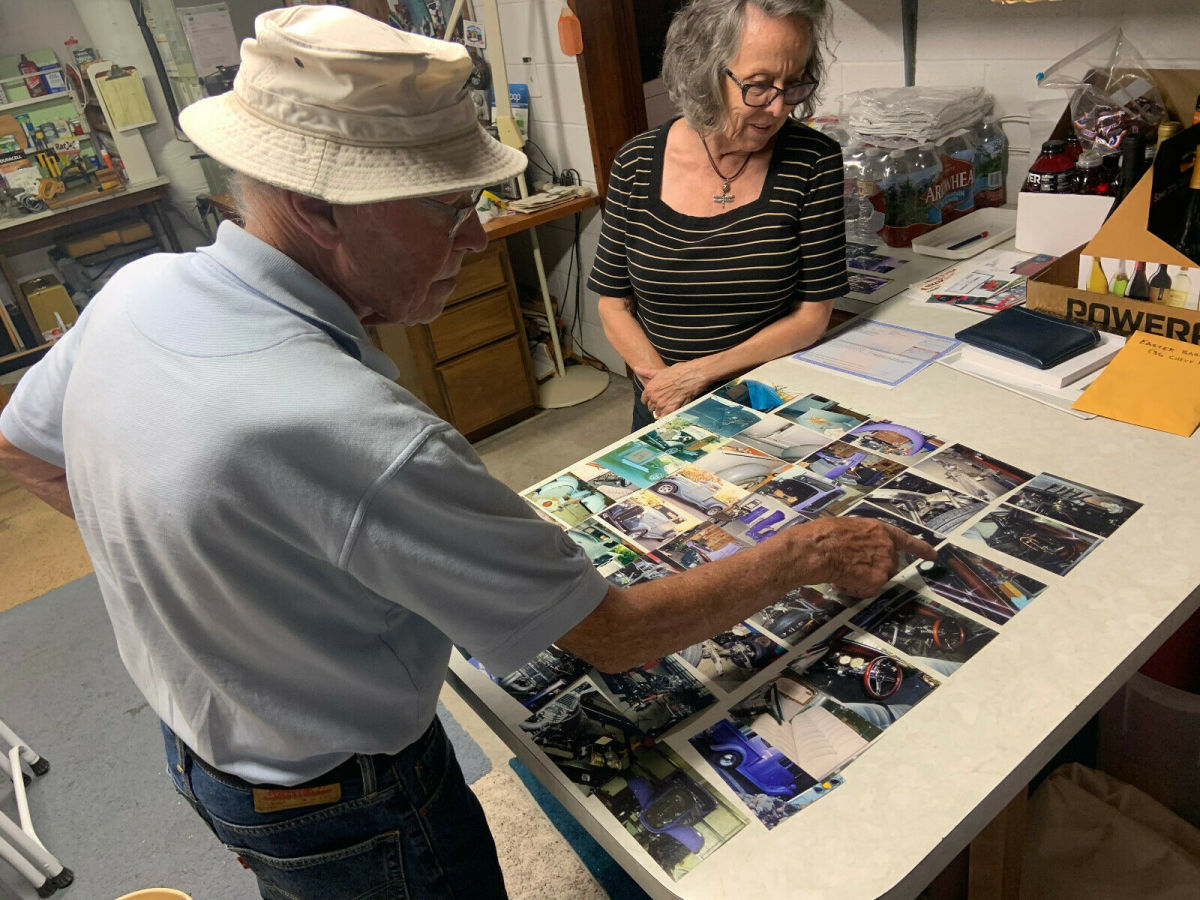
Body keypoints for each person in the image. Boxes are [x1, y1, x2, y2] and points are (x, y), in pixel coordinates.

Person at [0, 8, 931, 899]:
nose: (478, 236)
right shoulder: (354, 428)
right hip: (348, 794)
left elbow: (26, 447)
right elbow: (612, 633)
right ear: (317, 206)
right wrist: (806, 553)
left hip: (199, 749)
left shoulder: (138, 289)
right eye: (447, 208)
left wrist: (211, 582)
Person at [588, 0, 844, 429]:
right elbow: (613, 304)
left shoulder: (813, 160)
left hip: (767, 396)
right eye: (759, 85)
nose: (780, 108)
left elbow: (811, 315)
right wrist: (664, 385)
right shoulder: (635, 162)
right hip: (659, 396)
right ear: (702, 72)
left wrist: (698, 375)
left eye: (794, 84)